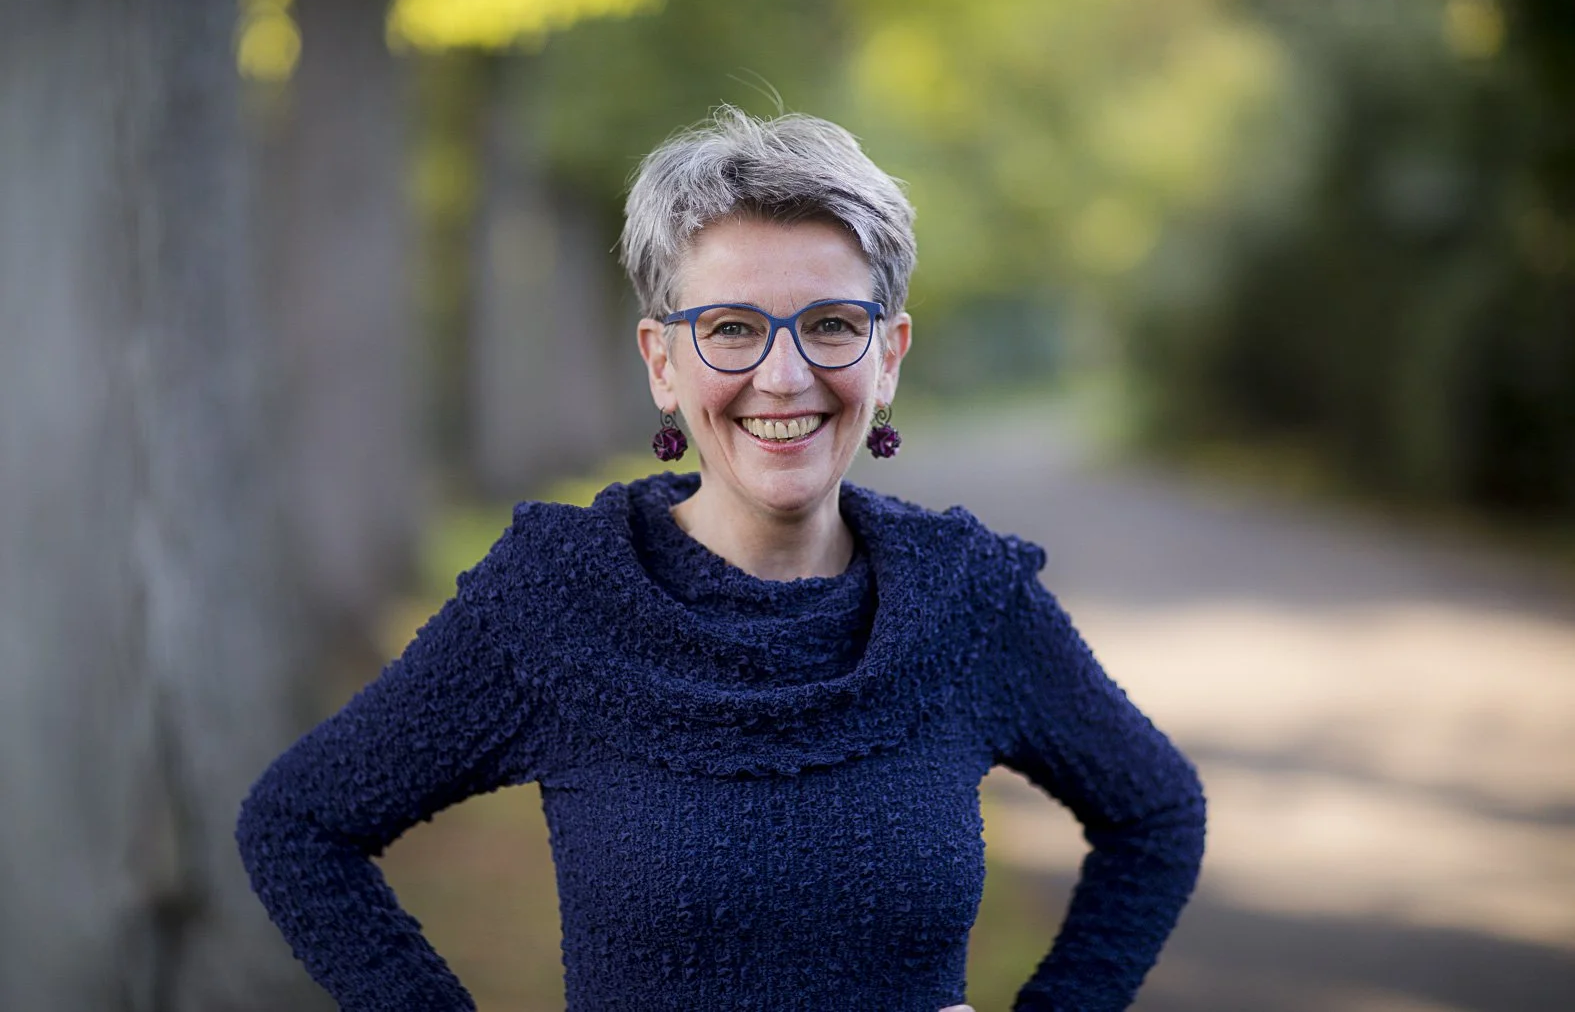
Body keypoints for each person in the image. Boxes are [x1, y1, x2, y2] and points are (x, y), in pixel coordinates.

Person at [234, 107, 1206, 1012]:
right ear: (662, 362)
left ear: (890, 354)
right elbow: (299, 825)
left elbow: (1156, 813)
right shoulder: (561, 601)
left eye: (831, 324)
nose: (783, 376)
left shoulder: (968, 601)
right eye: (731, 329)